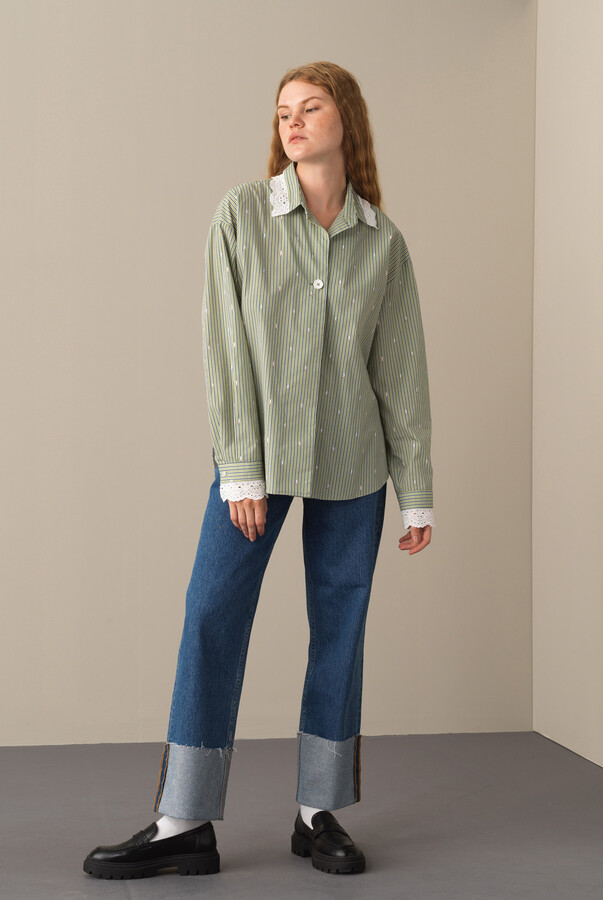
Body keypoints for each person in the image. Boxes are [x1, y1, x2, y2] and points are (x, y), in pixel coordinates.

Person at [83, 60, 433, 880]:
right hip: (259, 460)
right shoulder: (242, 214)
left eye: (310, 107)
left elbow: (400, 372)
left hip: (353, 461)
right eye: (283, 111)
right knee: (211, 613)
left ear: (346, 120)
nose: (293, 121)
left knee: (339, 627)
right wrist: (239, 469)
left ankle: (318, 815)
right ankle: (182, 822)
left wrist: (415, 490)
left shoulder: (381, 241)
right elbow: (224, 348)